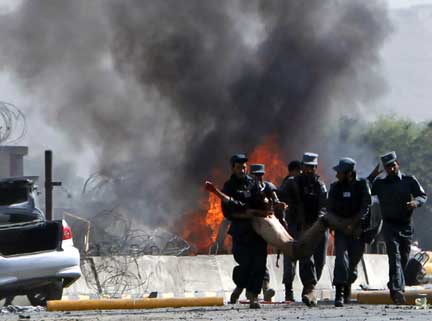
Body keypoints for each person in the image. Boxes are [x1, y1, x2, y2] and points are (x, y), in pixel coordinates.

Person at [370, 151, 427, 304]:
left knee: (402, 258)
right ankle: (397, 291)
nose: (391, 169)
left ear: (398, 164)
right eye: (388, 167)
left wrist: (416, 202)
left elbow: (423, 196)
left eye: (393, 165)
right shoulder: (379, 183)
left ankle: (394, 283)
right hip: (389, 225)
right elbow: (364, 188)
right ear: (385, 168)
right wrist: (372, 175)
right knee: (394, 256)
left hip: (406, 226)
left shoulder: (409, 180)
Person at [279, 153, 329, 307]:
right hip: (296, 227)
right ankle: (303, 288)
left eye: (312, 167)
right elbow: (280, 196)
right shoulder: (292, 183)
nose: (309, 170)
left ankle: (310, 286)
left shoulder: (320, 186)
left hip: (317, 227)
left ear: (315, 168)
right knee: (296, 258)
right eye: (306, 167)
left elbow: (324, 207)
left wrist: (316, 224)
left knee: (319, 262)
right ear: (302, 167)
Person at [221, 154, 267, 309]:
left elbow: (260, 202)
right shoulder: (228, 187)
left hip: (256, 230)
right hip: (241, 231)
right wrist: (243, 214)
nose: (243, 169)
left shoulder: (253, 183)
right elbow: (228, 212)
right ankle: (239, 286)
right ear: (233, 167)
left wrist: (266, 203)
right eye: (239, 166)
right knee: (245, 264)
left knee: (259, 263)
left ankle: (254, 296)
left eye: (244, 166)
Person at [328, 158, 372, 307]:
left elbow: (366, 207)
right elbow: (330, 208)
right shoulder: (335, 187)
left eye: (339, 172)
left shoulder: (362, 185)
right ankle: (339, 294)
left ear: (348, 173)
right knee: (341, 259)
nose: (336, 175)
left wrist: (353, 225)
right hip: (341, 229)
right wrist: (340, 225)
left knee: (352, 266)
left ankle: (347, 285)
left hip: (358, 230)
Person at [249, 163, 286, 302]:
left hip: (263, 225)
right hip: (249, 227)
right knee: (249, 260)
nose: (258, 178)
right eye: (255, 175)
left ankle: (265, 287)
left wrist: (278, 204)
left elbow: (275, 200)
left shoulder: (268, 187)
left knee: (260, 258)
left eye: (260, 175)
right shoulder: (247, 188)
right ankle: (247, 289)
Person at [278, 160, 303, 302]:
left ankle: (307, 288)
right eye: (298, 170)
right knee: (289, 259)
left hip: (303, 225)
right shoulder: (288, 183)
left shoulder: (304, 182)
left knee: (306, 259)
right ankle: (289, 291)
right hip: (292, 225)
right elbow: (280, 200)